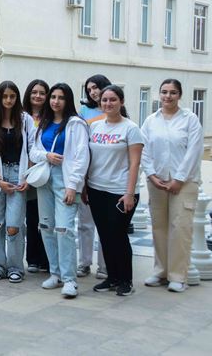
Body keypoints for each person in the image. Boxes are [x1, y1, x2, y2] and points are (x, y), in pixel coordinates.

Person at [141, 79, 204, 293]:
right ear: (159, 94)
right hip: (157, 181)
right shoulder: (151, 120)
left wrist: (179, 179)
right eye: (164, 92)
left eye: (173, 92)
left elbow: (194, 151)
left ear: (180, 95)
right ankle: (161, 271)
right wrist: (151, 175)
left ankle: (178, 276)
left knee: (180, 227)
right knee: (159, 227)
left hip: (184, 182)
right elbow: (144, 150)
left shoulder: (190, 119)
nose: (168, 96)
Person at [30, 83, 90, 298]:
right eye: (53, 97)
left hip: (65, 181)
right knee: (46, 226)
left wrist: (73, 186)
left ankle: (69, 279)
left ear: (68, 100)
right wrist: (46, 155)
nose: (56, 101)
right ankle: (55, 273)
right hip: (45, 178)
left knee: (64, 229)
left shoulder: (76, 124)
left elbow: (82, 157)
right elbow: (33, 151)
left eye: (61, 97)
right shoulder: (44, 122)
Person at [86, 85, 144, 297]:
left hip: (120, 191)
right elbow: (89, 158)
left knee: (118, 235)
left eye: (112, 100)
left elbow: (135, 163)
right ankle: (112, 277)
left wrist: (129, 193)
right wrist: (84, 186)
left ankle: (126, 280)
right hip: (96, 189)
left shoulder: (131, 128)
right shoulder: (95, 126)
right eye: (104, 100)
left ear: (121, 102)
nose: (108, 103)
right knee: (104, 235)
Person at [0, 81, 35, 283]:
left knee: (14, 225)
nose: (9, 100)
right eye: (5, 96)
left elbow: (32, 149)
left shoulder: (25, 120)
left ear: (17, 98)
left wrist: (28, 176)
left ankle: (15, 267)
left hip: (19, 175)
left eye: (12, 96)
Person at [77, 74, 111, 279]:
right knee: (85, 222)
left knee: (106, 224)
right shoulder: (84, 111)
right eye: (89, 89)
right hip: (87, 171)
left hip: (108, 172)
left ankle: (105, 266)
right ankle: (84, 262)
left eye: (96, 87)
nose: (93, 92)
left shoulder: (114, 109)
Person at [21, 79, 50, 273]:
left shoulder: (52, 118)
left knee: (46, 219)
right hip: (27, 173)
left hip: (47, 173)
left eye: (42, 93)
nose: (38, 96)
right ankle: (32, 258)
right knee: (31, 217)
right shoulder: (21, 117)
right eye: (34, 92)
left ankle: (47, 259)